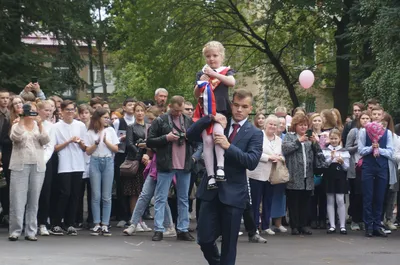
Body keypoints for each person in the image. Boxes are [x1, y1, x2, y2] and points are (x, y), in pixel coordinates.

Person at [187, 89, 263, 265]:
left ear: (250, 108)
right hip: (210, 190)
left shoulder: (254, 133)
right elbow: (190, 135)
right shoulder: (220, 122)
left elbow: (251, 161)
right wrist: (209, 118)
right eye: (236, 105)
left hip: (234, 194)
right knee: (204, 240)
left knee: (229, 244)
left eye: (244, 107)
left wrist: (229, 147)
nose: (239, 110)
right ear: (231, 104)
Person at [147, 95, 195, 242]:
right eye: (175, 110)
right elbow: (149, 141)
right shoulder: (160, 120)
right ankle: (159, 229)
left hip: (184, 164)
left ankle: (183, 229)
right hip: (166, 164)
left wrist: (190, 143)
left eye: (180, 110)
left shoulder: (188, 120)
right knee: (161, 197)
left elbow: (197, 141)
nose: (178, 113)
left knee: (184, 199)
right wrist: (166, 138)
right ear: (170, 106)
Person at [123, 108, 176, 237]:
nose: (152, 123)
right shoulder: (153, 132)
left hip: (165, 167)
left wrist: (148, 146)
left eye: (155, 120)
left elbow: (163, 148)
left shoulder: (170, 133)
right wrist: (148, 149)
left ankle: (169, 226)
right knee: (144, 195)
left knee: (160, 197)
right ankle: (133, 224)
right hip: (154, 167)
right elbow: (152, 149)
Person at [193, 41, 236, 189]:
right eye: (208, 56)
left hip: (221, 110)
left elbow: (232, 82)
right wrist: (201, 83)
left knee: (218, 135)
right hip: (205, 111)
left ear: (222, 56)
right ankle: (210, 175)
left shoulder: (226, 71)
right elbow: (196, 94)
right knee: (207, 141)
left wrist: (214, 74)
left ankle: (220, 168)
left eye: (215, 55)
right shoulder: (202, 72)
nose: (211, 59)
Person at [8, 103, 50, 241]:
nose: (30, 113)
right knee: (17, 199)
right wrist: (20, 119)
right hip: (20, 165)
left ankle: (31, 231)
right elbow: (16, 138)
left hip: (37, 165)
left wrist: (41, 124)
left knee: (34, 199)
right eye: (27, 111)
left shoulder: (38, 126)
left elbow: (45, 140)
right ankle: (15, 230)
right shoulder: (16, 125)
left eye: (32, 111)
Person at [282, 113, 326, 236]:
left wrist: (315, 143)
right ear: (295, 126)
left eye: (305, 125)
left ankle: (304, 225)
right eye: (301, 125)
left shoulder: (310, 139)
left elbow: (320, 155)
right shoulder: (290, 137)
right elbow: (285, 149)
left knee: (305, 202)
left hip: (308, 175)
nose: (303, 128)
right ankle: (295, 226)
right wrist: (298, 141)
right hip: (294, 175)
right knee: (294, 202)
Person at [50, 100, 87, 236]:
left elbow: (85, 148)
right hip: (64, 163)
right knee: (64, 193)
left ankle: (70, 223)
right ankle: (56, 222)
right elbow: (55, 148)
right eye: (68, 110)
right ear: (62, 111)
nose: (70, 112)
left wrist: (81, 143)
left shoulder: (81, 126)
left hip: (78, 163)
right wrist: (69, 141)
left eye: (72, 110)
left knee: (75, 194)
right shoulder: (56, 127)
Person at [248, 114, 285, 235]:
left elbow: (281, 155)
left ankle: (265, 225)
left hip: (272, 174)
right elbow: (254, 152)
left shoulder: (279, 140)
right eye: (270, 124)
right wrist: (269, 157)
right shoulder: (258, 136)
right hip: (257, 173)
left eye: (275, 125)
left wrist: (279, 158)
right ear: (265, 124)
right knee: (255, 201)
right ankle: (254, 227)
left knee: (268, 200)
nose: (273, 126)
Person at [85, 108, 119, 236]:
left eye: (108, 117)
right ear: (98, 118)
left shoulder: (110, 130)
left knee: (106, 195)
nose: (107, 119)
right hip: (95, 161)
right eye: (104, 117)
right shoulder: (90, 132)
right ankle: (96, 223)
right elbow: (88, 151)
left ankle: (105, 224)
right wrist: (96, 143)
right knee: (96, 195)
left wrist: (105, 141)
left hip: (108, 161)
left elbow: (116, 149)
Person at [358, 115, 393, 237]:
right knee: (368, 197)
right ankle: (369, 225)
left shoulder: (387, 132)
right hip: (368, 166)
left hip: (381, 167)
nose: (377, 117)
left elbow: (390, 151)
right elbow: (361, 150)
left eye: (379, 114)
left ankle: (377, 225)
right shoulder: (364, 131)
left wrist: (380, 149)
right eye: (374, 114)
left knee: (379, 197)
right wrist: (371, 148)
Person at [123, 102, 151, 231]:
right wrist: (141, 155)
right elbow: (129, 144)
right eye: (137, 110)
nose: (139, 113)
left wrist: (148, 155)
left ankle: (141, 219)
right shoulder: (131, 127)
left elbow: (151, 143)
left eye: (141, 110)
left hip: (146, 162)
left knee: (143, 192)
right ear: (134, 112)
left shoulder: (148, 127)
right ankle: (135, 221)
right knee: (134, 192)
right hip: (135, 161)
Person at [0, 95, 24, 225]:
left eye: (20, 102)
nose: (19, 105)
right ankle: (10, 215)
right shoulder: (9, 120)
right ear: (12, 107)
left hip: (26, 158)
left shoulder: (30, 119)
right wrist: (13, 134)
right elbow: (3, 140)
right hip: (11, 158)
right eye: (15, 103)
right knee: (11, 188)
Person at [345, 111, 371, 231]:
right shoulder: (354, 131)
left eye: (367, 118)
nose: (365, 120)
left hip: (369, 166)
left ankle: (362, 219)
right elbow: (347, 148)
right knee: (357, 194)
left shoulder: (373, 132)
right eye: (363, 118)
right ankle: (354, 219)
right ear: (359, 120)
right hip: (356, 167)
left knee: (366, 194)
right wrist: (358, 146)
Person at [113, 98, 136, 228]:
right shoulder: (118, 122)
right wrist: (121, 138)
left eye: (134, 104)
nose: (132, 107)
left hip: (134, 156)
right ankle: (123, 215)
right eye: (129, 104)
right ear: (124, 107)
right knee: (121, 185)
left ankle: (134, 215)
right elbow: (112, 137)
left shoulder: (137, 122)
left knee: (133, 187)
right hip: (121, 155)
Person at [322, 129, 350, 235]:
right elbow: (324, 165)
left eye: (336, 138)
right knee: (330, 199)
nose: (333, 141)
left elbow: (347, 167)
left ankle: (342, 225)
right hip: (329, 176)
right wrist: (331, 158)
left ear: (339, 139)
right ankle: (332, 225)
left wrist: (342, 162)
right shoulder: (325, 150)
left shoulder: (344, 151)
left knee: (340, 199)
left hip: (340, 176)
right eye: (332, 138)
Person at [36, 100, 56, 236]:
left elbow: (51, 145)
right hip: (30, 160)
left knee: (45, 192)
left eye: (50, 110)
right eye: (46, 110)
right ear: (39, 110)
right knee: (32, 192)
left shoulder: (51, 126)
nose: (48, 113)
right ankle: (31, 222)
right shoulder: (30, 123)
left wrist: (43, 160)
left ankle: (43, 223)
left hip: (45, 161)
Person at [75, 104, 94, 229]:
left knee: (93, 193)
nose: (84, 115)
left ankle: (92, 218)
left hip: (92, 162)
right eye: (81, 113)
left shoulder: (94, 129)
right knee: (79, 193)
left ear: (90, 114)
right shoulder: (76, 128)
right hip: (79, 162)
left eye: (86, 113)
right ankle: (78, 218)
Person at [308, 113, 327, 229]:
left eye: (319, 120)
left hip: (323, 166)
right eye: (314, 120)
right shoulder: (309, 134)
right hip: (311, 166)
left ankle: (322, 218)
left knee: (323, 194)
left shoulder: (326, 135)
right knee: (312, 195)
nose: (317, 123)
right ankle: (313, 219)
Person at [381, 112, 398, 231]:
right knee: (380, 195)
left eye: (384, 123)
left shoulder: (394, 137)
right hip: (378, 168)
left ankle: (389, 218)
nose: (382, 126)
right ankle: (379, 219)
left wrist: (384, 153)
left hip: (391, 167)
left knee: (391, 194)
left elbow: (394, 154)